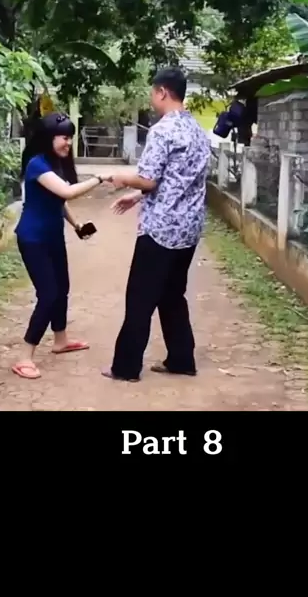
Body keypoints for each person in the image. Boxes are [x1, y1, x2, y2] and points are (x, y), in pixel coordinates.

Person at [103, 67, 211, 382]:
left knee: (140, 298)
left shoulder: (162, 130)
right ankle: (181, 358)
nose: (152, 98)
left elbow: (149, 178)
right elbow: (178, 180)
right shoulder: (196, 130)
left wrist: (123, 179)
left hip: (161, 230)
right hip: (188, 228)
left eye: (153, 92)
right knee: (172, 294)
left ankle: (125, 368)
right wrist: (137, 197)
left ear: (162, 92)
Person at [13, 112, 109, 380]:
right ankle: (24, 357)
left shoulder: (55, 163)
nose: (68, 143)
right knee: (48, 294)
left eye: (70, 137)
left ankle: (60, 340)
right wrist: (100, 178)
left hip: (52, 236)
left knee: (62, 288)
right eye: (63, 137)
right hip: (33, 238)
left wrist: (77, 225)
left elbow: (59, 200)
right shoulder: (37, 164)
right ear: (48, 138)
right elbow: (67, 192)